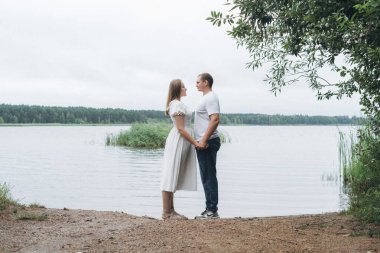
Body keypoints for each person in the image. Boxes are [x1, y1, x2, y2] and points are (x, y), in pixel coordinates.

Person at [160, 79, 198, 220]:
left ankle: (172, 210)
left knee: (174, 173)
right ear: (177, 89)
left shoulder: (178, 104)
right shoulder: (176, 105)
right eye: (183, 86)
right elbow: (181, 128)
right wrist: (195, 143)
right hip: (178, 141)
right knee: (170, 173)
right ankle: (166, 212)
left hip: (182, 141)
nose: (186, 88)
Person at [194, 73, 221, 219]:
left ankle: (212, 210)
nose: (196, 84)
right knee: (206, 175)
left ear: (206, 82)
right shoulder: (205, 98)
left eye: (198, 82)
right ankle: (209, 208)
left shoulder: (211, 97)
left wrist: (204, 140)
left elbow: (215, 119)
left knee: (209, 175)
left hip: (208, 142)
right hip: (203, 141)